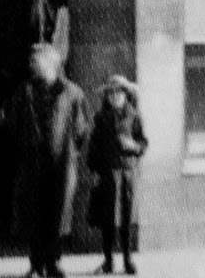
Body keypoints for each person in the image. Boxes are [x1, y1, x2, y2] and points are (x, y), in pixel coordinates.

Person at [11, 43, 90, 278]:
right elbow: (13, 125)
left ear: (52, 63)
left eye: (37, 61)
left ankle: (53, 262)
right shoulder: (24, 92)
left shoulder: (71, 92)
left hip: (61, 164)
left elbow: (81, 128)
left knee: (57, 215)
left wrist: (67, 151)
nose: (32, 65)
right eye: (32, 61)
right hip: (33, 164)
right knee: (34, 213)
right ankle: (36, 262)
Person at [88, 76, 147, 275]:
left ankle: (128, 259)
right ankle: (108, 260)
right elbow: (93, 147)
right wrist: (94, 171)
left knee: (127, 218)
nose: (115, 96)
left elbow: (143, 143)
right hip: (107, 174)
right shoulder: (100, 117)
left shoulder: (134, 116)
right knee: (108, 219)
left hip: (127, 173)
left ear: (126, 94)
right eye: (111, 93)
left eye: (119, 92)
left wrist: (134, 146)